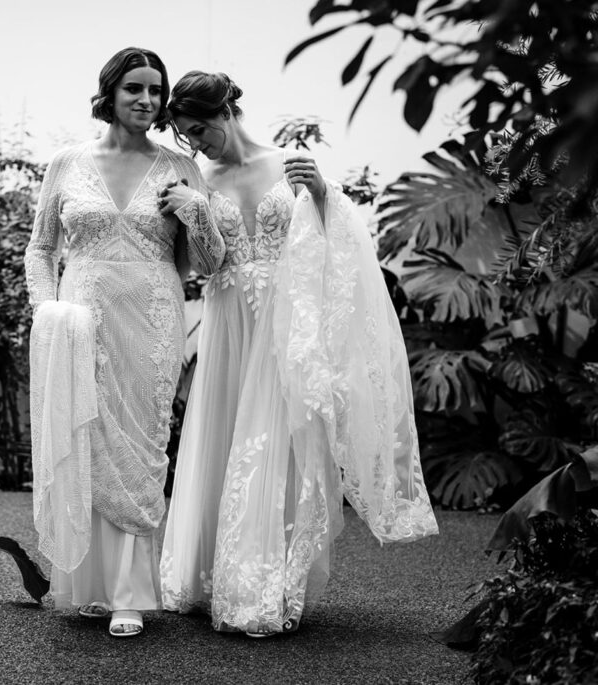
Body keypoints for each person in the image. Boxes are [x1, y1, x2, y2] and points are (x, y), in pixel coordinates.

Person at [158, 71, 439, 637]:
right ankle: (203, 576)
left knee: (275, 445)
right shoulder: (199, 177)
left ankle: (260, 586)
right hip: (228, 323)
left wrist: (321, 193)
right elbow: (209, 267)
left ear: (226, 110)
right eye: (187, 135)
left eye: (200, 129)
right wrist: (194, 209)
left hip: (286, 324)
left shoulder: (289, 163)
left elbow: (340, 245)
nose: (197, 142)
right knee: (221, 439)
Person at [24, 49, 225, 638]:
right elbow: (41, 248)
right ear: (109, 93)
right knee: (86, 439)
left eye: (155, 92)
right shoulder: (66, 162)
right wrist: (46, 312)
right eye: (134, 88)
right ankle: (89, 586)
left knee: (141, 448)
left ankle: (132, 593)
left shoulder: (179, 168)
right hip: (79, 319)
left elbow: (208, 265)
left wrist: (198, 213)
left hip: (153, 321)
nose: (146, 100)